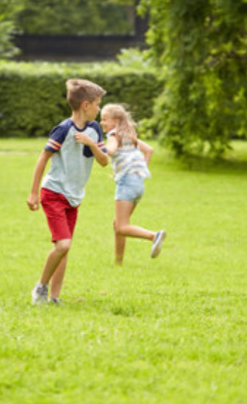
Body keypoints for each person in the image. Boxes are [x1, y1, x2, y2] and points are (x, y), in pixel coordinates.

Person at [27, 79, 109, 305]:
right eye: (97, 104)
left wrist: (91, 143)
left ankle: (54, 298)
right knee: (64, 244)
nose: (99, 109)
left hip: (74, 197)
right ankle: (40, 288)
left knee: (63, 249)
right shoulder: (63, 129)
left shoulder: (94, 129)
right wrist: (33, 193)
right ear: (85, 105)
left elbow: (104, 161)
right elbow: (42, 159)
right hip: (54, 192)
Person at [100, 103, 165, 265]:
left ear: (115, 121)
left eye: (104, 119)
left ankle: (154, 235)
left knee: (122, 227)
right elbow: (148, 150)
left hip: (127, 184)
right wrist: (138, 170)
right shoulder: (129, 135)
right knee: (118, 224)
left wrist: (93, 145)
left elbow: (111, 151)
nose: (102, 123)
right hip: (137, 184)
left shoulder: (114, 135)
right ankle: (118, 262)